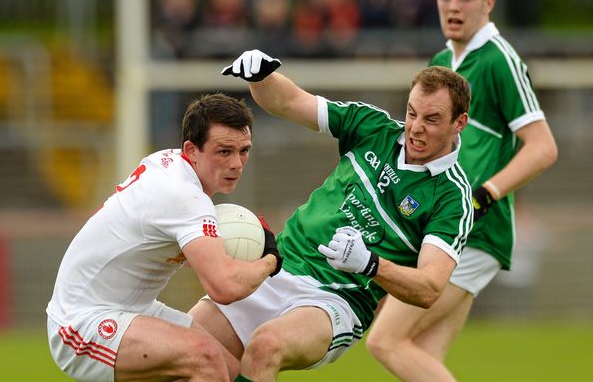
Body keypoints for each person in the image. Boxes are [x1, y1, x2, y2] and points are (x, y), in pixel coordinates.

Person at [189, 49, 474, 382]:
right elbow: (289, 102)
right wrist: (261, 78)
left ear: (459, 123)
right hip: (277, 266)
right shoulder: (373, 127)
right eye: (412, 113)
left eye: (432, 119)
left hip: (335, 300)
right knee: (185, 345)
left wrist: (370, 264)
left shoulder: (453, 197)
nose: (416, 128)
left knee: (266, 346)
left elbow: (429, 288)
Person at [366, 0, 559, 381]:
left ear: (488, 3)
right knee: (421, 355)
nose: (454, 6)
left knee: (385, 341)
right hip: (447, 223)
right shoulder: (443, 60)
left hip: (474, 229)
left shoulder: (498, 59)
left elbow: (543, 147)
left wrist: (484, 194)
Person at [46, 93, 283, 382]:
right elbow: (223, 288)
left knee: (231, 372)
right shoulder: (185, 197)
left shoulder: (168, 163)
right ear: (192, 149)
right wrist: (271, 259)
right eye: (224, 151)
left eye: (244, 150)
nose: (237, 163)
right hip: (82, 322)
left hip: (132, 310)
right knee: (204, 357)